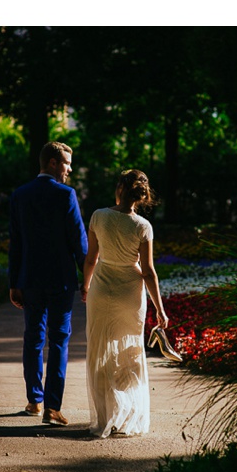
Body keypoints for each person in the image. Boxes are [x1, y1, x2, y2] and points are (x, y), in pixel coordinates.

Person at [81, 169, 176, 438]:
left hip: (101, 287)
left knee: (100, 350)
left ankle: (104, 417)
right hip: (130, 294)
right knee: (130, 352)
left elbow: (90, 259)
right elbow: (147, 271)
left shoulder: (99, 216)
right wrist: (160, 308)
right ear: (142, 196)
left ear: (120, 188)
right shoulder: (143, 227)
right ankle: (127, 415)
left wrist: (86, 285)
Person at [8, 141, 88, 426]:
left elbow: (15, 242)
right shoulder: (66, 195)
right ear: (53, 163)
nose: (69, 169)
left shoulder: (20, 195)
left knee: (33, 339)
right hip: (60, 280)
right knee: (59, 341)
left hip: (29, 279)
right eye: (66, 163)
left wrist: (13, 282)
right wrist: (87, 277)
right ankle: (53, 408)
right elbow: (79, 242)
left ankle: (34, 401)